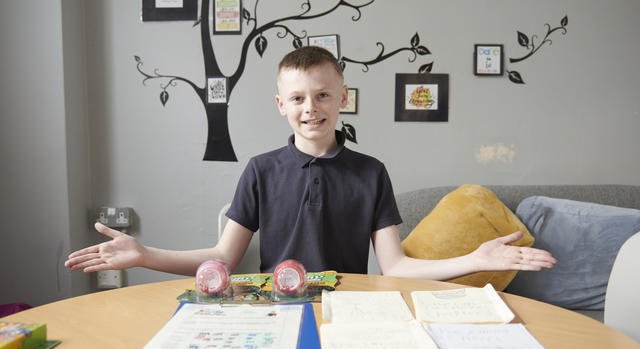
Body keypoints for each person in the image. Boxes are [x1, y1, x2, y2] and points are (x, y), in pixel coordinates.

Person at [65, 46, 556, 279]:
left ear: (343, 97)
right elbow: (223, 259)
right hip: (275, 304)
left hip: (352, 308)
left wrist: (475, 260)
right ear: (281, 105)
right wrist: (145, 253)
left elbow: (396, 266)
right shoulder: (260, 169)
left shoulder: (370, 172)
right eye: (297, 97)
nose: (310, 107)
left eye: (322, 95)